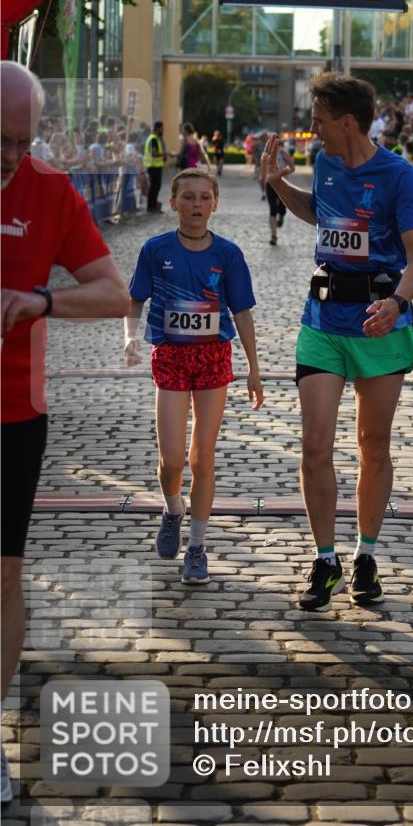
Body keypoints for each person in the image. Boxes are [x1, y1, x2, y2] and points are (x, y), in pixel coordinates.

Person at [0, 62, 129, 804]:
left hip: (13, 416)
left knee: (5, 577)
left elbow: (115, 293)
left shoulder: (49, 191)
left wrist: (37, 299)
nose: (10, 155)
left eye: (22, 140)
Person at [262, 74, 413, 612]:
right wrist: (276, 183)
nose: (311, 130)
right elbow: (320, 213)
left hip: (378, 323)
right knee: (315, 445)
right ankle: (325, 559)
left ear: (348, 123)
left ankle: (366, 555)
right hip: (321, 321)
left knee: (372, 446)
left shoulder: (398, 176)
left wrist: (397, 304)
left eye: (318, 121)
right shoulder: (328, 163)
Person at [123, 168, 264, 585]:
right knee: (170, 462)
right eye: (188, 197)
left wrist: (254, 369)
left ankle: (197, 547)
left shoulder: (229, 254)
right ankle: (172, 510)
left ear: (215, 204)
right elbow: (135, 298)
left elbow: (242, 313)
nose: (197, 205)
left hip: (213, 358)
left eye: (205, 198)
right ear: (174, 203)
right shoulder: (155, 249)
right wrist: (129, 339)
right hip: (170, 357)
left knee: (202, 456)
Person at [259, 140, 295, 245]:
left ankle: (282, 215)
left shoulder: (283, 153)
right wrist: (262, 183)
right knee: (272, 209)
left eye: (277, 145)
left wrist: (282, 172)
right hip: (270, 184)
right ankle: (273, 235)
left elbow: (292, 168)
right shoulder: (266, 155)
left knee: (282, 207)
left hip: (283, 183)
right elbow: (262, 173)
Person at [144, 120, 168, 213]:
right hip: (153, 166)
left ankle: (153, 205)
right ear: (158, 128)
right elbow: (153, 153)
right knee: (154, 187)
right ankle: (151, 207)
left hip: (156, 166)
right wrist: (164, 154)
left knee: (156, 187)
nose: (163, 130)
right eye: (162, 128)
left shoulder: (155, 138)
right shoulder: (153, 139)